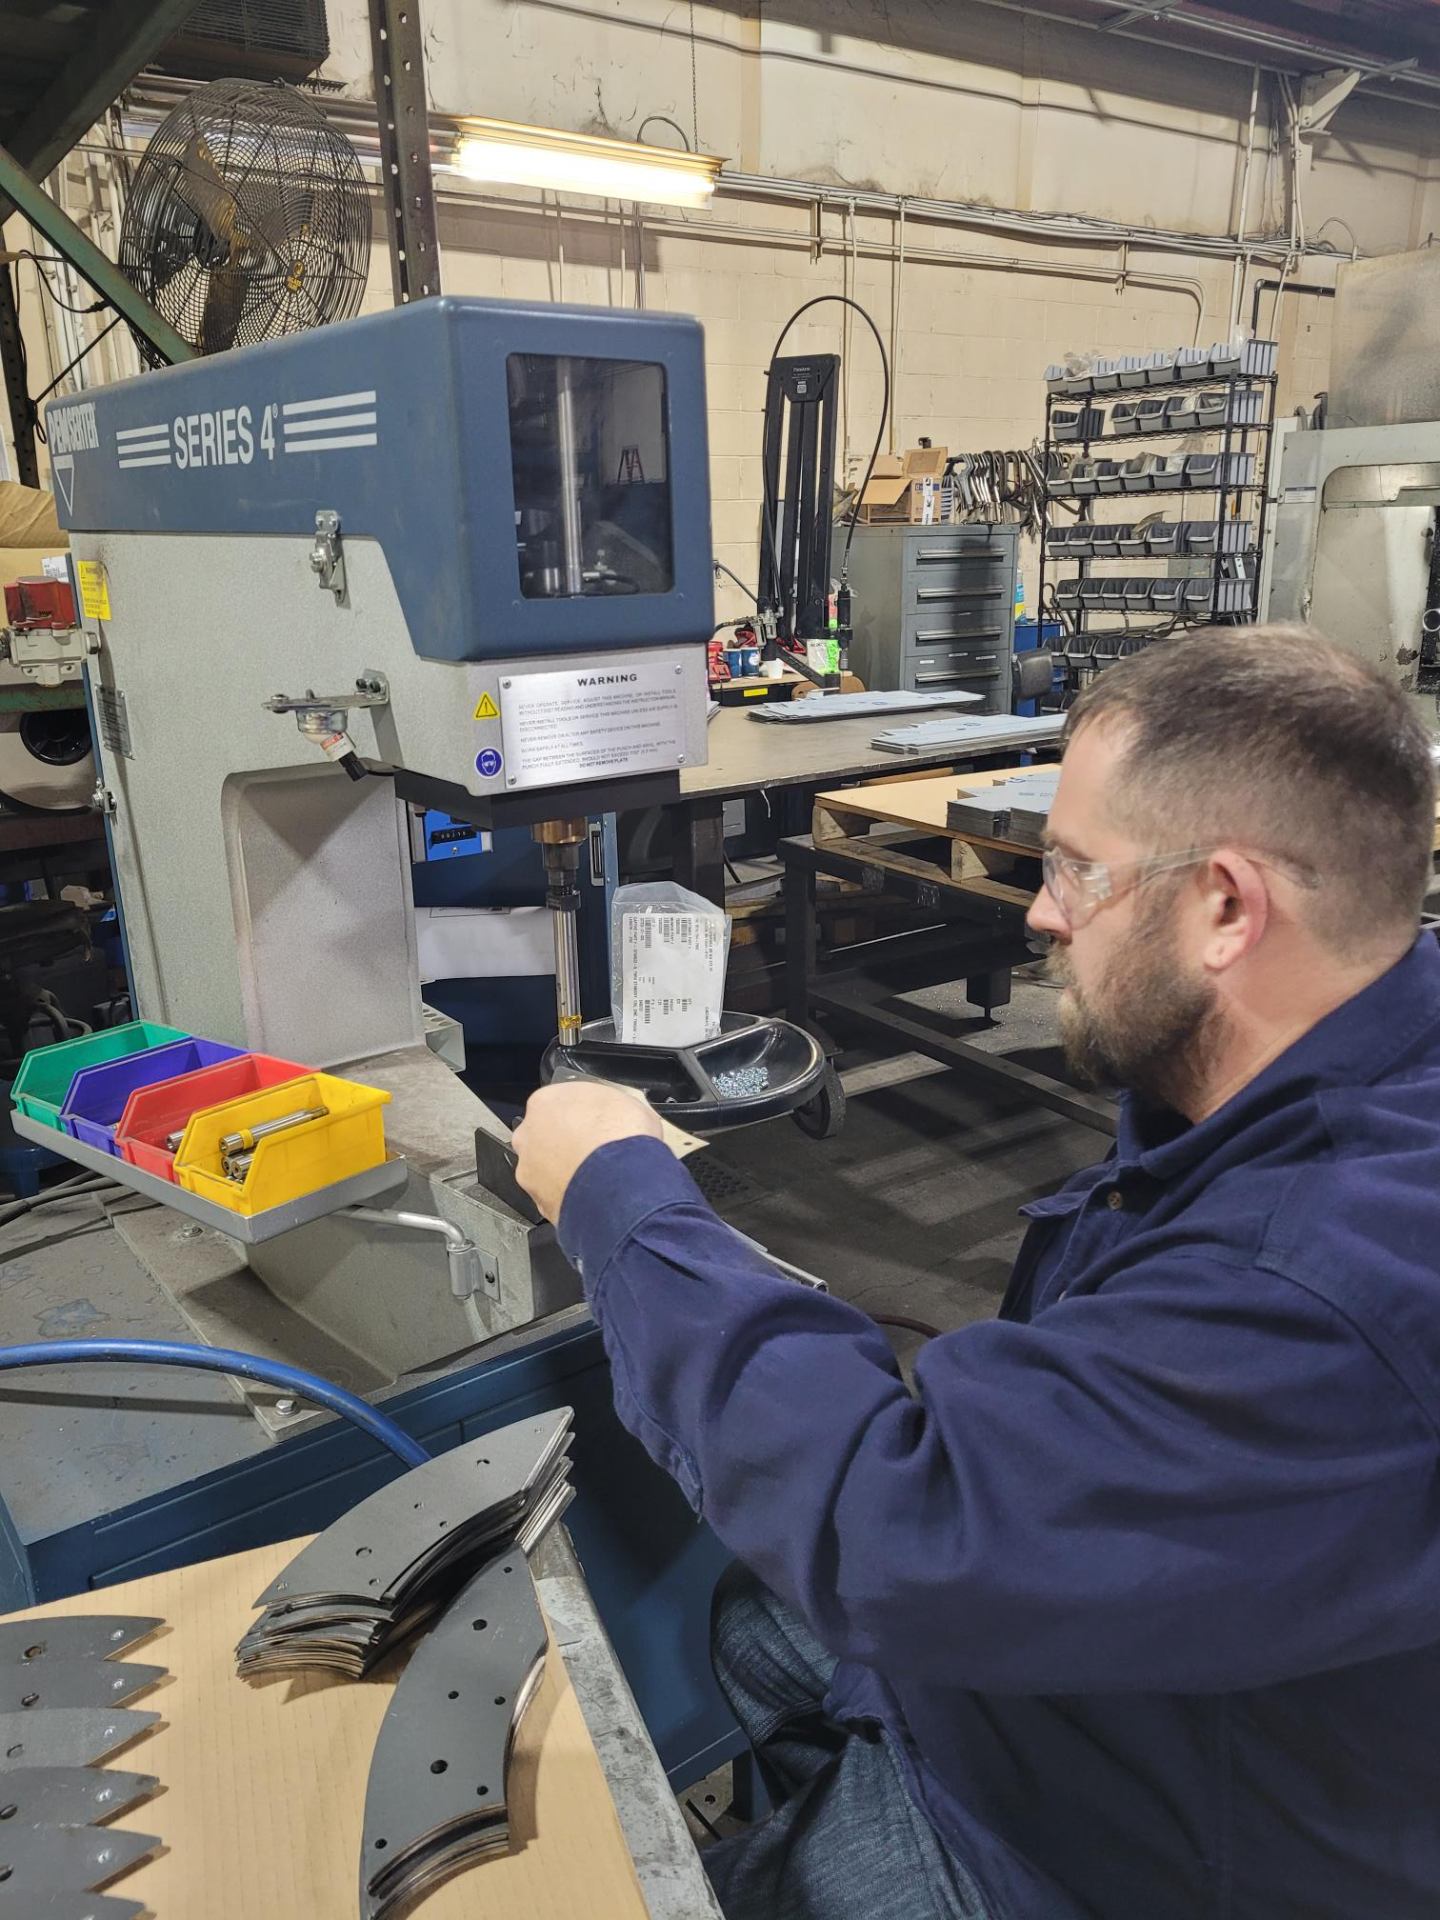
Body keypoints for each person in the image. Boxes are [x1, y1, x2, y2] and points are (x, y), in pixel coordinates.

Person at [512, 624, 1440, 1920]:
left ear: (1227, 907)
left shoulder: (1328, 1288)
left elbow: (895, 1520)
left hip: (1126, 1840)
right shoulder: (1353, 1050)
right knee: (744, 1621)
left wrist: (623, 1192)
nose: (1043, 912)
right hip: (1144, 1636)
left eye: (1075, 871)